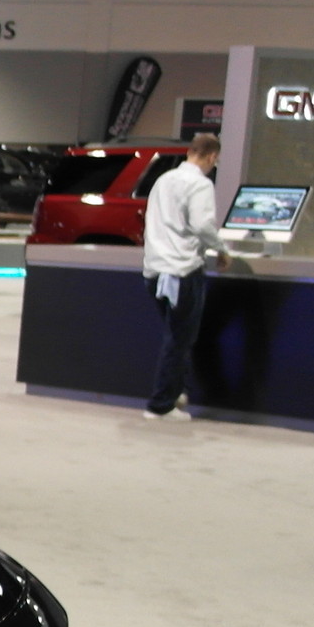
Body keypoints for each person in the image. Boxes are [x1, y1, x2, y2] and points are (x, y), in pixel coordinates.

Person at [141, 132, 224, 416]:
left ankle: (178, 395)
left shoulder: (163, 180)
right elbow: (203, 225)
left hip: (154, 270)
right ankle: (160, 405)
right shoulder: (200, 185)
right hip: (182, 271)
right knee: (179, 339)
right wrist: (222, 250)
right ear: (212, 156)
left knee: (176, 336)